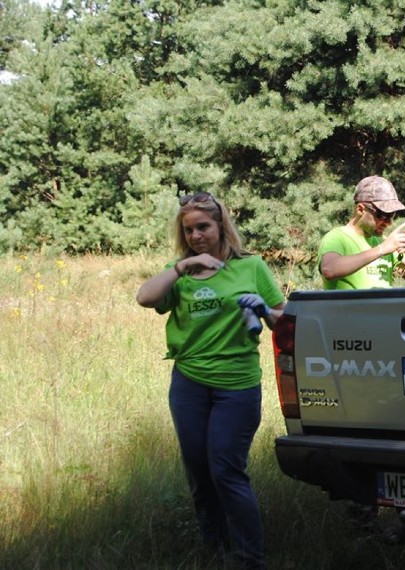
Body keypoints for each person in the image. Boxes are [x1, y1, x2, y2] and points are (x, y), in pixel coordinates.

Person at [136, 191, 285, 569]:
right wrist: (181, 267)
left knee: (226, 469)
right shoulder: (182, 274)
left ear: (221, 225)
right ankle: (217, 553)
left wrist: (264, 309)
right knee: (200, 474)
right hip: (189, 384)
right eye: (189, 231)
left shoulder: (251, 267)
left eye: (203, 226)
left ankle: (250, 559)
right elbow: (144, 297)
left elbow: (283, 317)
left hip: (236, 385)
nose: (196, 236)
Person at [318, 175, 405, 289]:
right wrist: (382, 249)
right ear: (360, 209)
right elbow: (329, 269)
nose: (389, 222)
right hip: (348, 311)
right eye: (382, 215)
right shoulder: (337, 237)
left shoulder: (383, 242)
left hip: (382, 311)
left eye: (391, 215)